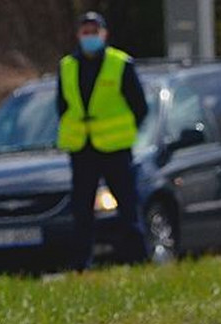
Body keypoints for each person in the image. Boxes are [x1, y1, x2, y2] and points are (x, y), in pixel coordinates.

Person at [56, 11, 150, 271]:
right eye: (85, 32)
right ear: (78, 35)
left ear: (104, 34)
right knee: (81, 210)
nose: (89, 37)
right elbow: (62, 106)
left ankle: (138, 260)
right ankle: (81, 265)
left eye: (94, 32)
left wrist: (125, 132)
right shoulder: (67, 66)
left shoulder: (121, 63)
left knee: (128, 206)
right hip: (81, 147)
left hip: (115, 148)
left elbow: (139, 107)